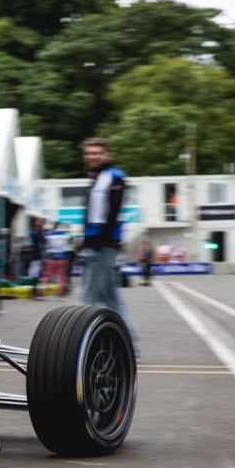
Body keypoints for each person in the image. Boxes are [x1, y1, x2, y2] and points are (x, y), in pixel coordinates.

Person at [79, 137, 139, 349]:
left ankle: (80, 348)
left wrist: (95, 241)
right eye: (89, 153)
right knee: (113, 302)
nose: (92, 157)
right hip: (97, 245)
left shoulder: (115, 178)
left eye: (97, 153)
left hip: (102, 247)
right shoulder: (96, 178)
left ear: (106, 154)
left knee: (87, 300)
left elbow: (113, 214)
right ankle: (131, 348)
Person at [41, 221, 73, 297]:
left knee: (47, 276)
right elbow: (68, 246)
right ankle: (60, 293)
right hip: (62, 257)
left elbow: (46, 246)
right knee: (61, 276)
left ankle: (44, 292)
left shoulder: (47, 235)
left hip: (50, 257)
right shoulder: (66, 235)